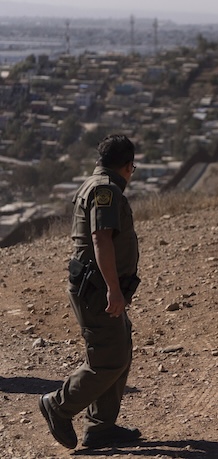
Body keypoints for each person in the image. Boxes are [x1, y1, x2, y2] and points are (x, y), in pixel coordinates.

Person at [39, 134, 142, 449]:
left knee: (119, 350)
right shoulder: (104, 190)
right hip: (98, 288)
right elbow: (101, 239)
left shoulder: (95, 184)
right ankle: (58, 405)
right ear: (127, 166)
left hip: (100, 286)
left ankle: (100, 427)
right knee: (107, 359)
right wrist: (113, 289)